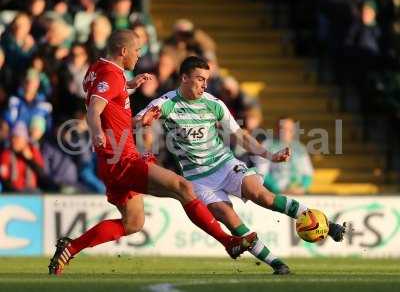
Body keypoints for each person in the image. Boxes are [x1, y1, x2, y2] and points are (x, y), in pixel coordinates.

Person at [48, 30, 256, 275]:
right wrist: (96, 132)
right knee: (184, 188)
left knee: (133, 223)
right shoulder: (110, 75)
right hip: (121, 158)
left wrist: (128, 86)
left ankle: (70, 248)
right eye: (137, 51)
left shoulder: (97, 69)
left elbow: (102, 92)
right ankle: (228, 242)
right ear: (123, 51)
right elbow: (95, 109)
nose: (139, 56)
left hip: (110, 162)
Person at [136, 56, 347, 275]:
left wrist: (270, 156)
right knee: (228, 217)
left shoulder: (213, 104)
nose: (204, 85)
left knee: (263, 196)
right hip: (198, 179)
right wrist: (145, 120)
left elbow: (240, 136)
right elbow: (138, 120)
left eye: (206, 80)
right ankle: (277, 264)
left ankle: (329, 225)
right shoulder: (166, 103)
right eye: (199, 79)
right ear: (184, 78)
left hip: (225, 164)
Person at [262, 118, 314, 195]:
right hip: (275, 194)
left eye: (289, 129)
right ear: (276, 129)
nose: (286, 132)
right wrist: (277, 189)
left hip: (299, 193)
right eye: (282, 128)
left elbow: (308, 173)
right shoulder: (266, 145)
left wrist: (302, 188)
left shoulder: (300, 147)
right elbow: (262, 172)